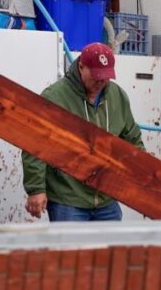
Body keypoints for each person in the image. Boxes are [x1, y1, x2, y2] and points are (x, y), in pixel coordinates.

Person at [22, 42, 144, 221]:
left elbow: (132, 139)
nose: (101, 82)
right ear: (81, 67)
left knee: (110, 250)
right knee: (72, 250)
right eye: (96, 76)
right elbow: (35, 143)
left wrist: (145, 179)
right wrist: (36, 189)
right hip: (68, 199)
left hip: (106, 198)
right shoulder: (55, 97)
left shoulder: (118, 96)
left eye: (106, 77)